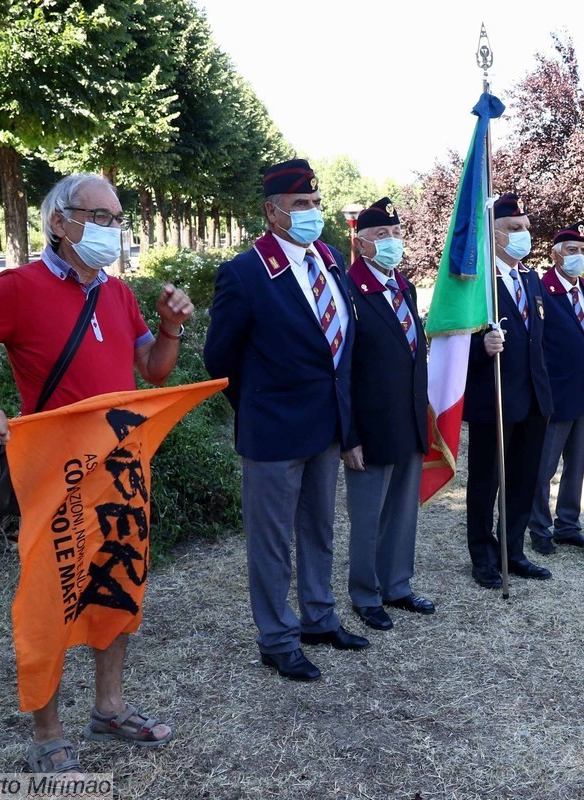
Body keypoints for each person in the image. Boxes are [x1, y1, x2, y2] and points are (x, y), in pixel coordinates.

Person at [0, 172, 193, 774]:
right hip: (56, 479)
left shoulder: (117, 294)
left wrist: (172, 327)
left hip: (122, 470)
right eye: (98, 217)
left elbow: (152, 371)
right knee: (51, 598)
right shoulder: (19, 288)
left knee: (118, 588)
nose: (111, 229)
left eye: (118, 218)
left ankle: (110, 710)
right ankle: (48, 733)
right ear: (59, 222)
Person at [204, 158, 367, 683]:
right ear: (273, 212)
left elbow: (340, 347)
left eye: (316, 204)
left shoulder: (331, 259)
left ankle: (319, 618)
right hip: (273, 431)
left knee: (318, 529)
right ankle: (276, 638)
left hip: (325, 426)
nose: (312, 213)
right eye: (301, 205)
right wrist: (258, 406)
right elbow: (218, 358)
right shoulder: (245, 272)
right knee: (271, 542)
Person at [341, 198, 435, 631]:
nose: (393, 242)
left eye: (397, 234)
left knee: (402, 511)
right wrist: (350, 434)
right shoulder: (347, 289)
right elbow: (342, 369)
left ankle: (397, 585)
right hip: (370, 426)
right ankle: (365, 593)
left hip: (408, 420)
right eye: (382, 235)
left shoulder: (404, 286)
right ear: (360, 243)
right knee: (368, 516)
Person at [463, 192, 554, 588]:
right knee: (486, 482)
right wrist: (480, 347)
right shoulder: (478, 281)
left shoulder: (531, 279)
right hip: (495, 398)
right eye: (514, 229)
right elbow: (451, 341)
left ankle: (512, 550)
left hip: (533, 399)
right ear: (493, 234)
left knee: (524, 480)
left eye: (526, 229)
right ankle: (484, 556)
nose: (523, 236)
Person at [528, 222, 584, 555]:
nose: (579, 256)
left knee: (577, 466)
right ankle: (538, 527)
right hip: (555, 396)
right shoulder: (540, 290)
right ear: (555, 255)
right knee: (542, 468)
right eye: (572, 250)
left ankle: (568, 525)